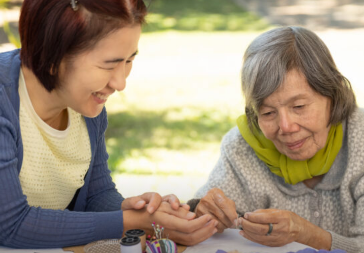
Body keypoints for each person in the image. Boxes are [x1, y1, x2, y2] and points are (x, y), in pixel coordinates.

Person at [0, 0, 217, 249]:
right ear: (52, 54)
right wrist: (128, 221)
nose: (120, 82)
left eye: (129, 61)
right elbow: (10, 224)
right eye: (110, 64)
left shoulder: (86, 103)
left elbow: (96, 194)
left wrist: (143, 212)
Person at [187, 26, 364, 253]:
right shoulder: (242, 146)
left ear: (332, 97)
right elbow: (203, 216)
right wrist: (204, 213)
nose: (286, 127)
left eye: (299, 106)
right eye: (267, 113)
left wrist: (304, 233)